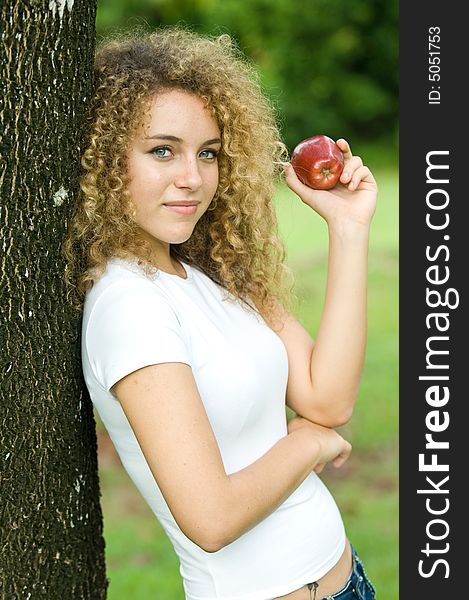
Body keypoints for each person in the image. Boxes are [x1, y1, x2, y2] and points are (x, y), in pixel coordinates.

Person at [64, 26, 378, 600]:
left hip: (344, 580)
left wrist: (349, 230)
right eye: (162, 150)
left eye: (207, 153)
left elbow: (328, 398)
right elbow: (210, 519)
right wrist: (308, 443)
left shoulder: (208, 272)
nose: (193, 177)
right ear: (105, 162)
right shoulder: (129, 307)